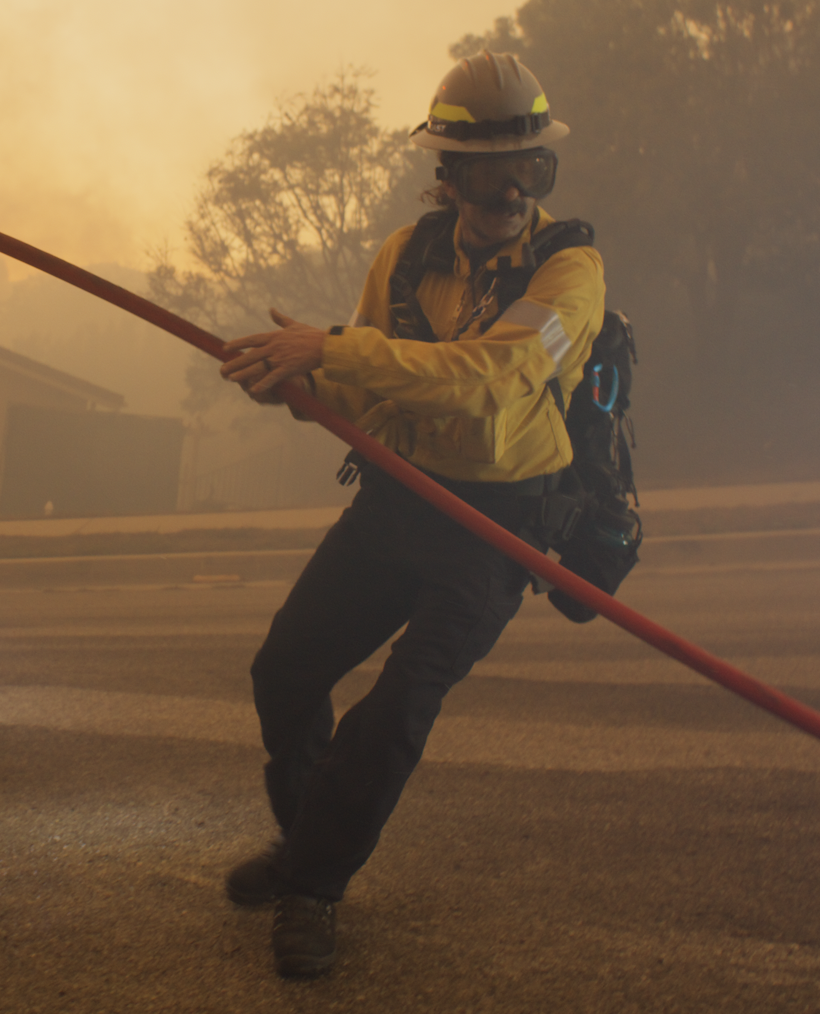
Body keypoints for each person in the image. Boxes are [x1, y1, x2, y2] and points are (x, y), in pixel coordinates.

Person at [216, 52, 607, 978]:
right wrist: (300, 385)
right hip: (399, 500)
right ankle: (312, 837)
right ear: (447, 174)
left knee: (393, 712)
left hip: (495, 530)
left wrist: (339, 351)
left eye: (532, 169)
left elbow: (496, 379)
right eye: (488, 170)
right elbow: (369, 396)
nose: (511, 190)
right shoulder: (404, 255)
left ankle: (310, 887)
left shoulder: (571, 273)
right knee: (285, 672)